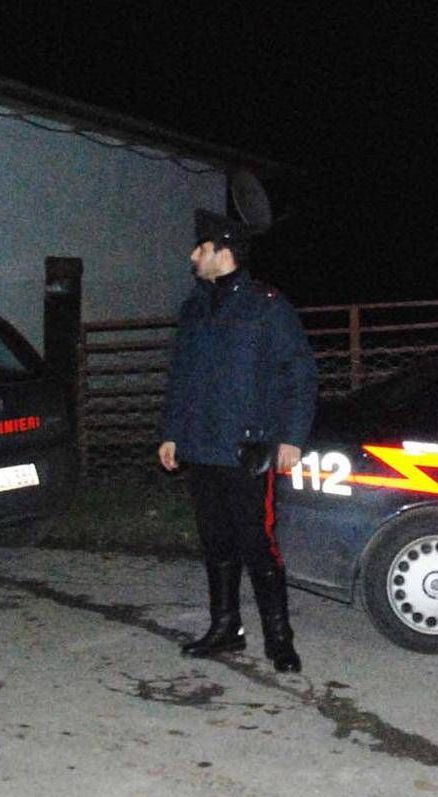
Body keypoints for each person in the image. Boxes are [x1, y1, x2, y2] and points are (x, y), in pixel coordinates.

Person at [158, 208, 317, 673]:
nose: (193, 256)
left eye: (201, 248)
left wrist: (291, 437)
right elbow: (181, 377)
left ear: (222, 252)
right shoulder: (194, 308)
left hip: (248, 450)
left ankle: (279, 639)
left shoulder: (266, 306)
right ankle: (226, 627)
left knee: (258, 544)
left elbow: (300, 373)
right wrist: (170, 432)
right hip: (201, 447)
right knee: (216, 543)